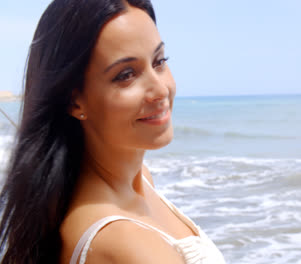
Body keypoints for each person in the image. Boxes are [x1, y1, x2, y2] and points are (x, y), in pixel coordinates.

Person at [0, 0, 226, 263]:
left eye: (159, 61)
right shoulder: (123, 243)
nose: (160, 90)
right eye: (126, 74)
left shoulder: (138, 180)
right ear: (74, 101)